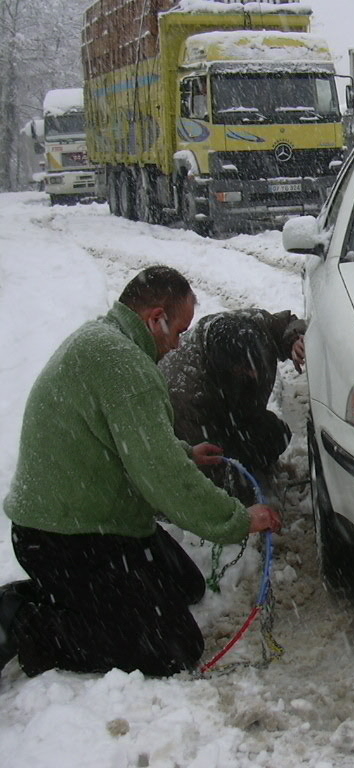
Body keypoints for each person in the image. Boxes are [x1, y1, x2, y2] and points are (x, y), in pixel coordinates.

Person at [0, 266, 283, 679]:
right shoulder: (123, 366)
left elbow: (131, 442)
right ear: (155, 319)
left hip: (94, 517)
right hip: (65, 536)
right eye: (179, 329)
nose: (180, 341)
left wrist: (184, 453)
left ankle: (68, 594)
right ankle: (26, 622)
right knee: (172, 648)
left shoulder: (107, 343)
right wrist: (238, 520)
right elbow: (164, 480)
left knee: (184, 585)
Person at [158, 309, 306, 503]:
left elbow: (286, 324)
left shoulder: (253, 327)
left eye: (257, 364)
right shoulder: (186, 391)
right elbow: (204, 461)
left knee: (277, 435)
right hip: (209, 432)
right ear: (225, 369)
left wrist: (295, 339)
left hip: (241, 416)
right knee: (236, 486)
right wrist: (244, 506)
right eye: (246, 370)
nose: (255, 374)